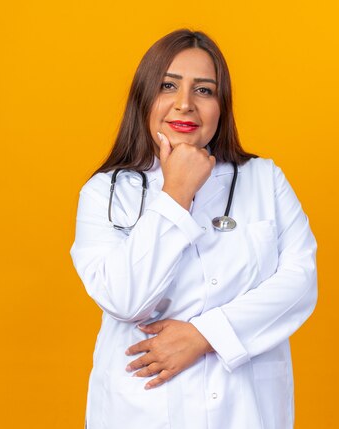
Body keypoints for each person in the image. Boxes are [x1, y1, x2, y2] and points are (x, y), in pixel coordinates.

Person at [70, 29, 317, 429]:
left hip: (245, 410)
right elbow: (124, 299)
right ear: (144, 98)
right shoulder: (105, 192)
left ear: (222, 106)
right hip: (143, 410)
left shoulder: (264, 179)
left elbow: (299, 282)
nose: (185, 104)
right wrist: (176, 192)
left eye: (204, 90)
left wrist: (206, 335)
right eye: (168, 85)